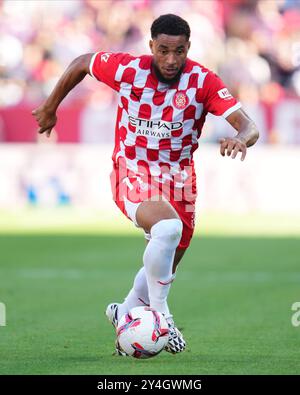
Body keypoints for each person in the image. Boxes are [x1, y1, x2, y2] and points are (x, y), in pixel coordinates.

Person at [32, 14, 259, 356]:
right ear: (151, 45)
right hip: (132, 170)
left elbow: (248, 125)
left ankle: (124, 313)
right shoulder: (128, 70)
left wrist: (241, 139)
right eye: (164, 50)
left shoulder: (203, 81)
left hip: (179, 180)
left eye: (179, 51)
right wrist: (50, 107)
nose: (171, 59)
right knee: (166, 229)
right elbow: (82, 63)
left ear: (188, 48)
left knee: (167, 260)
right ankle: (162, 318)